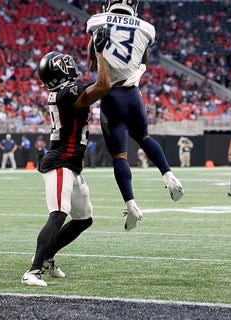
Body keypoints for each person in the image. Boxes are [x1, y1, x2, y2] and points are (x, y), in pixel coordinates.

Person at [21, 28, 112, 286]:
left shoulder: (64, 91)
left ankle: (48, 257)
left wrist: (94, 47)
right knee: (59, 213)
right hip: (60, 162)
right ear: (62, 70)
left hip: (70, 163)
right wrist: (101, 51)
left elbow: (94, 75)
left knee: (84, 219)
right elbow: (103, 84)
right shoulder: (68, 92)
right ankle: (33, 270)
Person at [86, 0, 184, 231]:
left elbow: (92, 63)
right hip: (133, 95)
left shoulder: (96, 21)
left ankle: (131, 206)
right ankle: (169, 176)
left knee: (120, 156)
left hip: (111, 96)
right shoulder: (146, 27)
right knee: (145, 138)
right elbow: (145, 58)